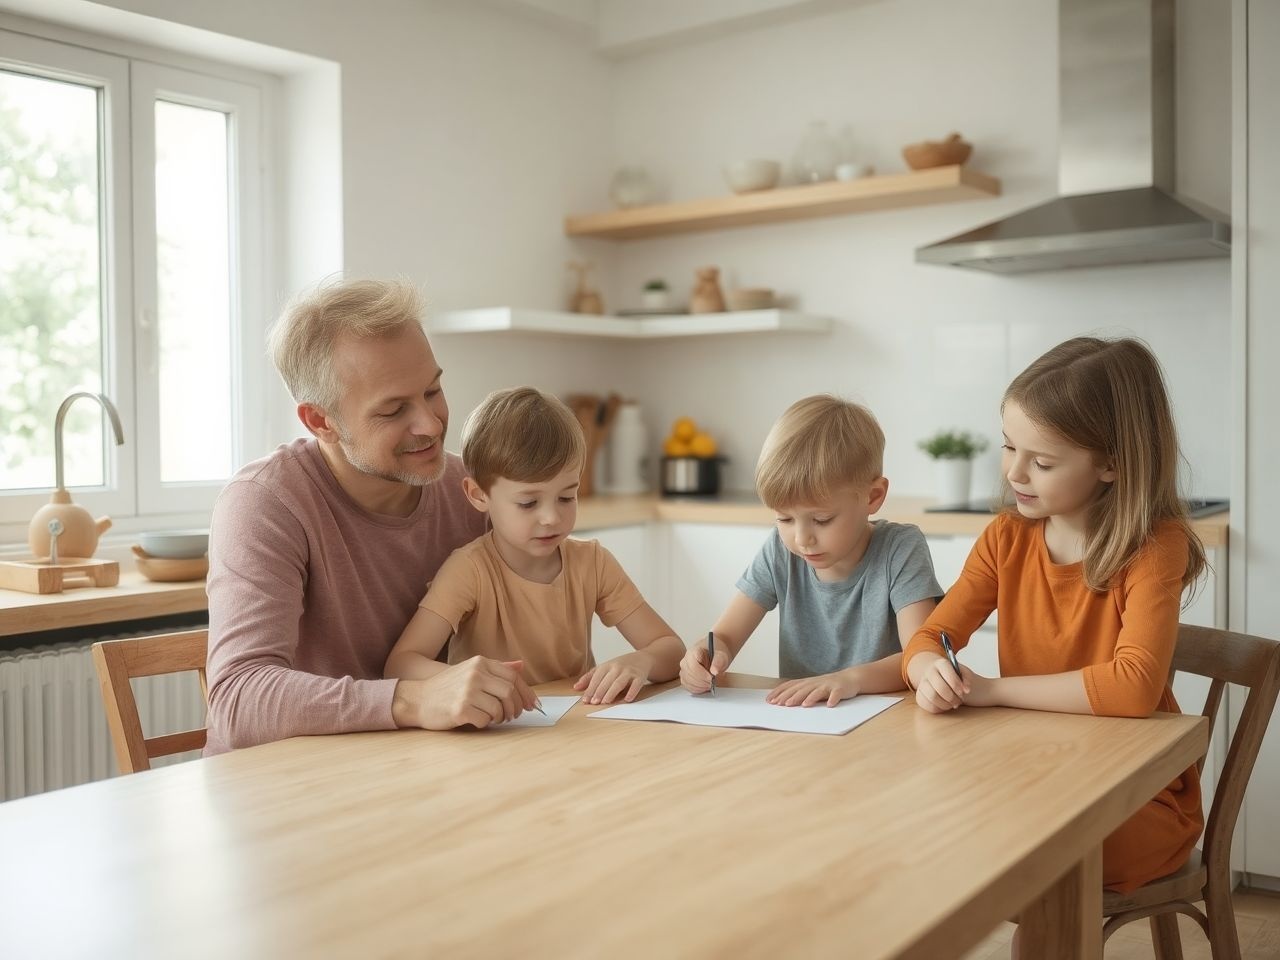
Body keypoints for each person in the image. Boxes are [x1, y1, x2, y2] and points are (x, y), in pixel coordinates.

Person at [903, 336, 1206, 897]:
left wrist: (991, 691)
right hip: (1034, 767)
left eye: (1041, 461)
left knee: (1024, 846)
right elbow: (929, 637)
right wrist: (929, 672)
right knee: (929, 821)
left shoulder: (1154, 546)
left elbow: (1133, 688)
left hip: (1134, 797)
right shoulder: (1005, 537)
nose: (1015, 473)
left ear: (1112, 463)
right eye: (1008, 446)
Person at [205, 278, 537, 754]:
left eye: (433, 390)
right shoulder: (264, 504)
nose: (430, 424)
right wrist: (414, 699)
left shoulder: (474, 492)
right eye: (393, 410)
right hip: (286, 796)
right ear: (321, 422)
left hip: (423, 774)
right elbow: (238, 700)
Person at [385, 387, 685, 704]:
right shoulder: (468, 570)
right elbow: (401, 664)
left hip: (577, 729)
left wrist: (641, 662)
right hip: (490, 733)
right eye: (528, 503)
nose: (551, 518)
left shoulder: (593, 562)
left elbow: (669, 647)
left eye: (567, 497)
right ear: (478, 495)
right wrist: (465, 679)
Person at [679, 395, 942, 706]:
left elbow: (919, 657)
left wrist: (848, 680)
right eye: (784, 518)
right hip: (804, 724)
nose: (802, 539)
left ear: (873, 496)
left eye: (821, 519)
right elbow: (725, 636)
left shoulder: (900, 549)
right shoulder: (780, 550)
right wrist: (704, 655)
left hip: (887, 723)